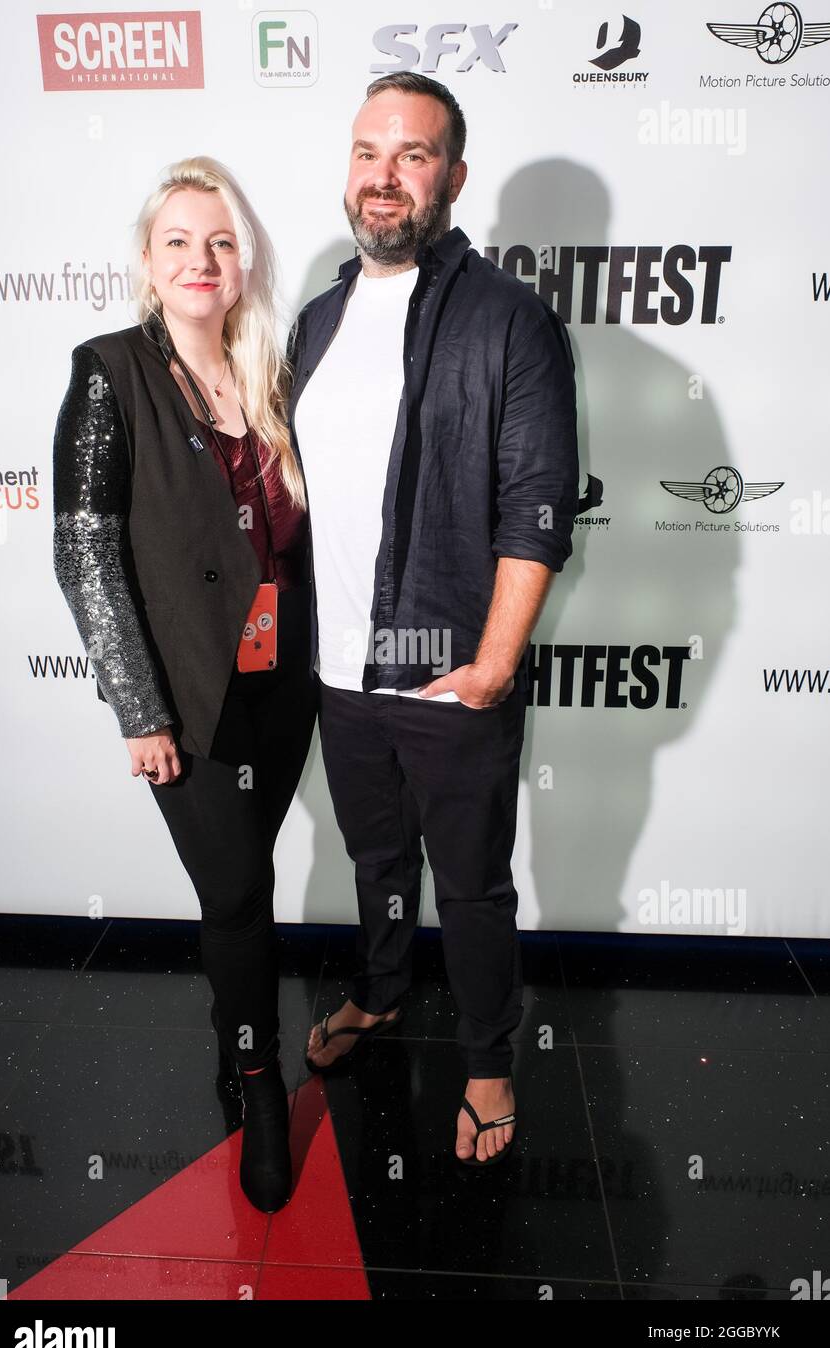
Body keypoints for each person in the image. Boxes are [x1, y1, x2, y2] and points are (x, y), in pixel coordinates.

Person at [293, 75, 580, 1166]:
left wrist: (495, 664)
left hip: (448, 672)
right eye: (368, 150)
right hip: (339, 672)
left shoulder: (509, 319)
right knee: (375, 858)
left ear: (453, 177)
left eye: (411, 154)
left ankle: (488, 1062)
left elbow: (535, 505)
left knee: (469, 883)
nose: (383, 174)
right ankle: (376, 994)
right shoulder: (318, 318)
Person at [52, 156, 315, 1212]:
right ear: (147, 263)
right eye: (179, 242)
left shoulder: (273, 379)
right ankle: (259, 1089)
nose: (200, 259)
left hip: (282, 688)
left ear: (241, 262)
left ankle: (231, 1034)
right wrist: (140, 709)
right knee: (242, 894)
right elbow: (85, 552)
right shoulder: (109, 371)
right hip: (189, 700)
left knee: (235, 888)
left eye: (219, 241)